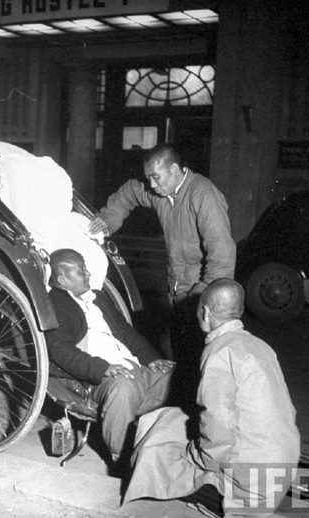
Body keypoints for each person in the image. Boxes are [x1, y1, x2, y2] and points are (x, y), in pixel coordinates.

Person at [123, 279, 300, 517]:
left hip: (252, 481)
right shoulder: (260, 345)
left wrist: (194, 457)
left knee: (158, 437)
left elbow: (218, 427)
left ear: (205, 313)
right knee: (173, 419)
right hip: (285, 462)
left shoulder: (219, 351)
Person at [89, 144, 236, 402]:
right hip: (176, 290)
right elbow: (130, 192)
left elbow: (222, 255)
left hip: (202, 295)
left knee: (205, 364)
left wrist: (202, 297)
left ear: (176, 169)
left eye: (156, 177)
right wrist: (109, 219)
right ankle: (181, 408)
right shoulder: (161, 193)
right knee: (178, 358)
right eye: (149, 178)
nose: (152, 185)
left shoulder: (203, 195)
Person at [45, 248, 175, 467]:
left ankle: (168, 444)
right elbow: (60, 350)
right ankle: (122, 460)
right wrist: (102, 368)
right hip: (98, 377)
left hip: (131, 366)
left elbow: (125, 332)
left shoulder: (99, 298)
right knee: (122, 390)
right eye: (81, 271)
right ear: (62, 279)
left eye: (85, 269)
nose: (88, 274)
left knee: (176, 375)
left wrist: (151, 358)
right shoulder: (55, 305)